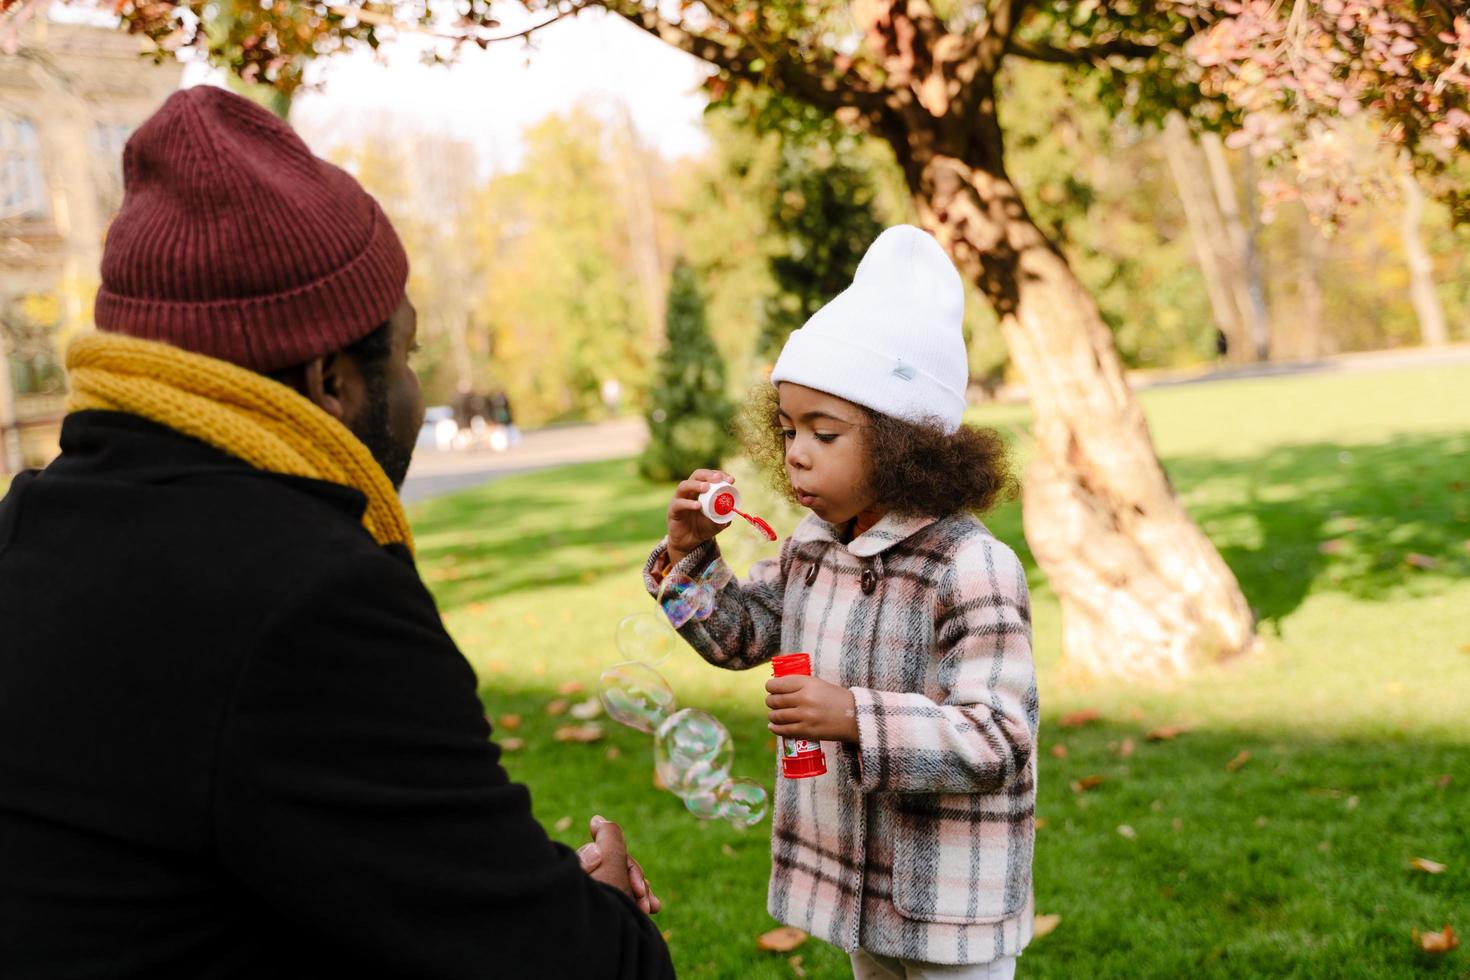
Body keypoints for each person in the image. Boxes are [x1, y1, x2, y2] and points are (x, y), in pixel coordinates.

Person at [0, 87, 672, 980]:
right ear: (330, 381)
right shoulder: (310, 599)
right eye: (410, 353)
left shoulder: (25, 529)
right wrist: (602, 909)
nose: (416, 389)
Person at [644, 227, 1037, 978]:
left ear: (906, 442)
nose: (795, 452)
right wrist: (691, 552)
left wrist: (852, 715)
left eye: (824, 432)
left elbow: (997, 739)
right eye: (789, 429)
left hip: (947, 900)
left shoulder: (971, 565)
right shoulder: (813, 544)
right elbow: (739, 636)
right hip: (856, 889)